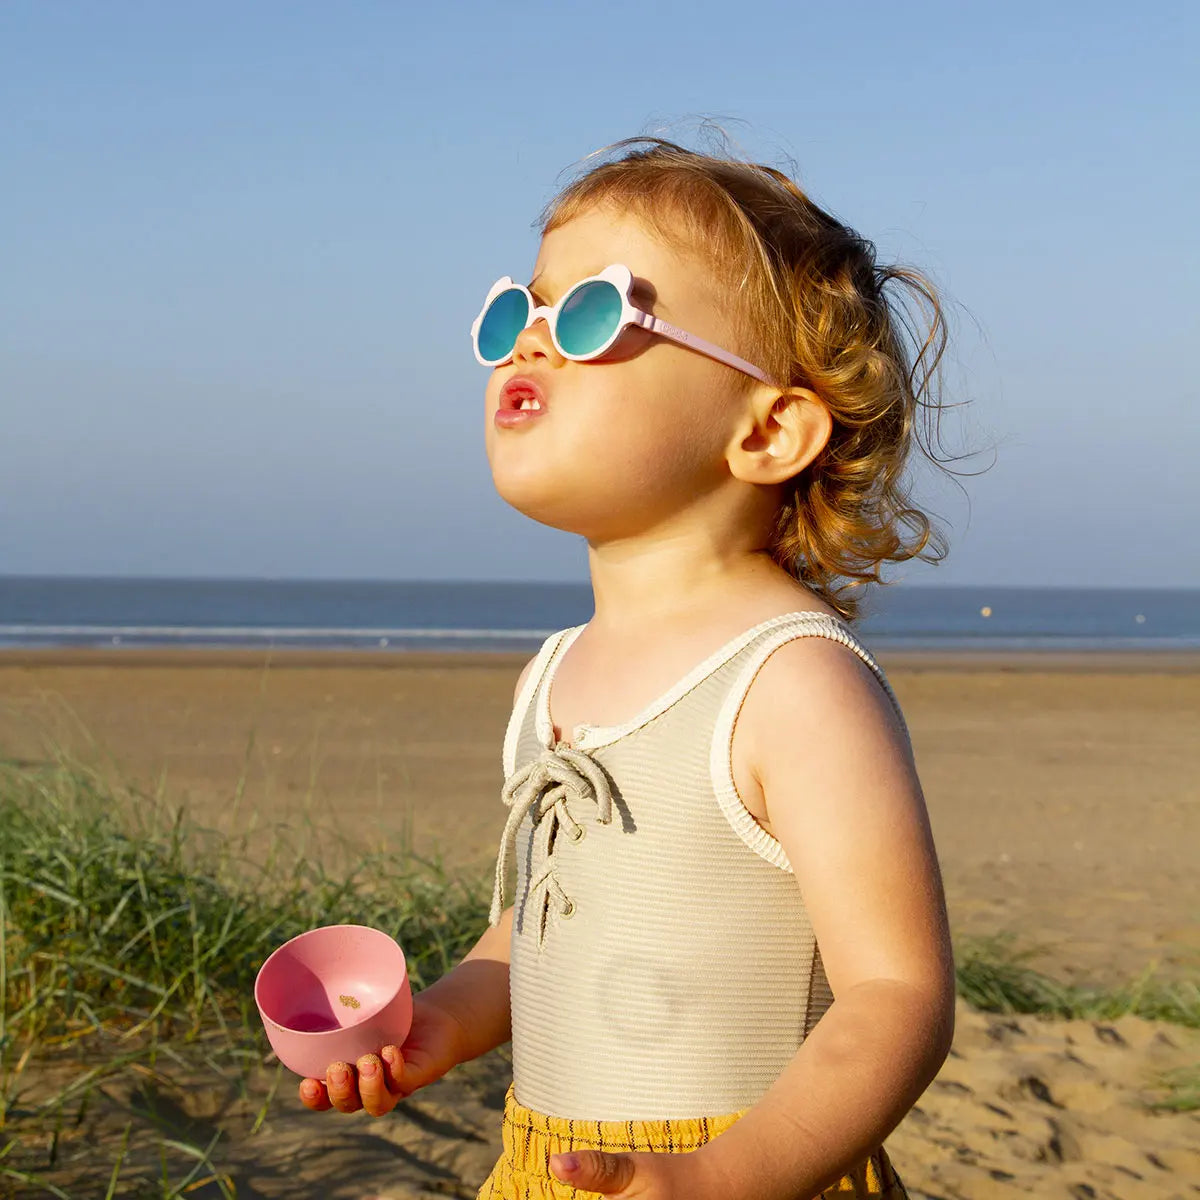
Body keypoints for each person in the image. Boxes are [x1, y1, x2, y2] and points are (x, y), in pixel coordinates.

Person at [300, 137, 959, 1200]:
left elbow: (898, 993)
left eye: (594, 316)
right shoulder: (552, 674)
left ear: (770, 428)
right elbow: (541, 928)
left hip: (741, 1174)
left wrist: (723, 1177)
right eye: (519, 313)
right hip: (549, 1170)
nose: (533, 347)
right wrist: (438, 1023)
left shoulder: (790, 685)